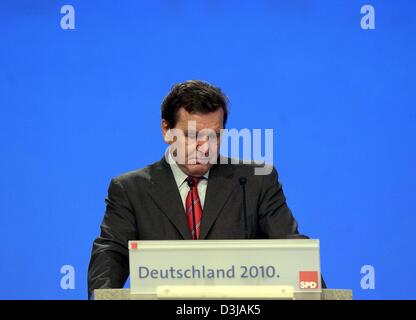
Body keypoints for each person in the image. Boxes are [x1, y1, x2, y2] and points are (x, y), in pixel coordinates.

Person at [87, 80, 313, 298]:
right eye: (192, 135)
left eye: (213, 136)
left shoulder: (256, 181)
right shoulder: (130, 190)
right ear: (166, 130)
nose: (204, 147)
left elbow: (291, 248)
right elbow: (110, 255)